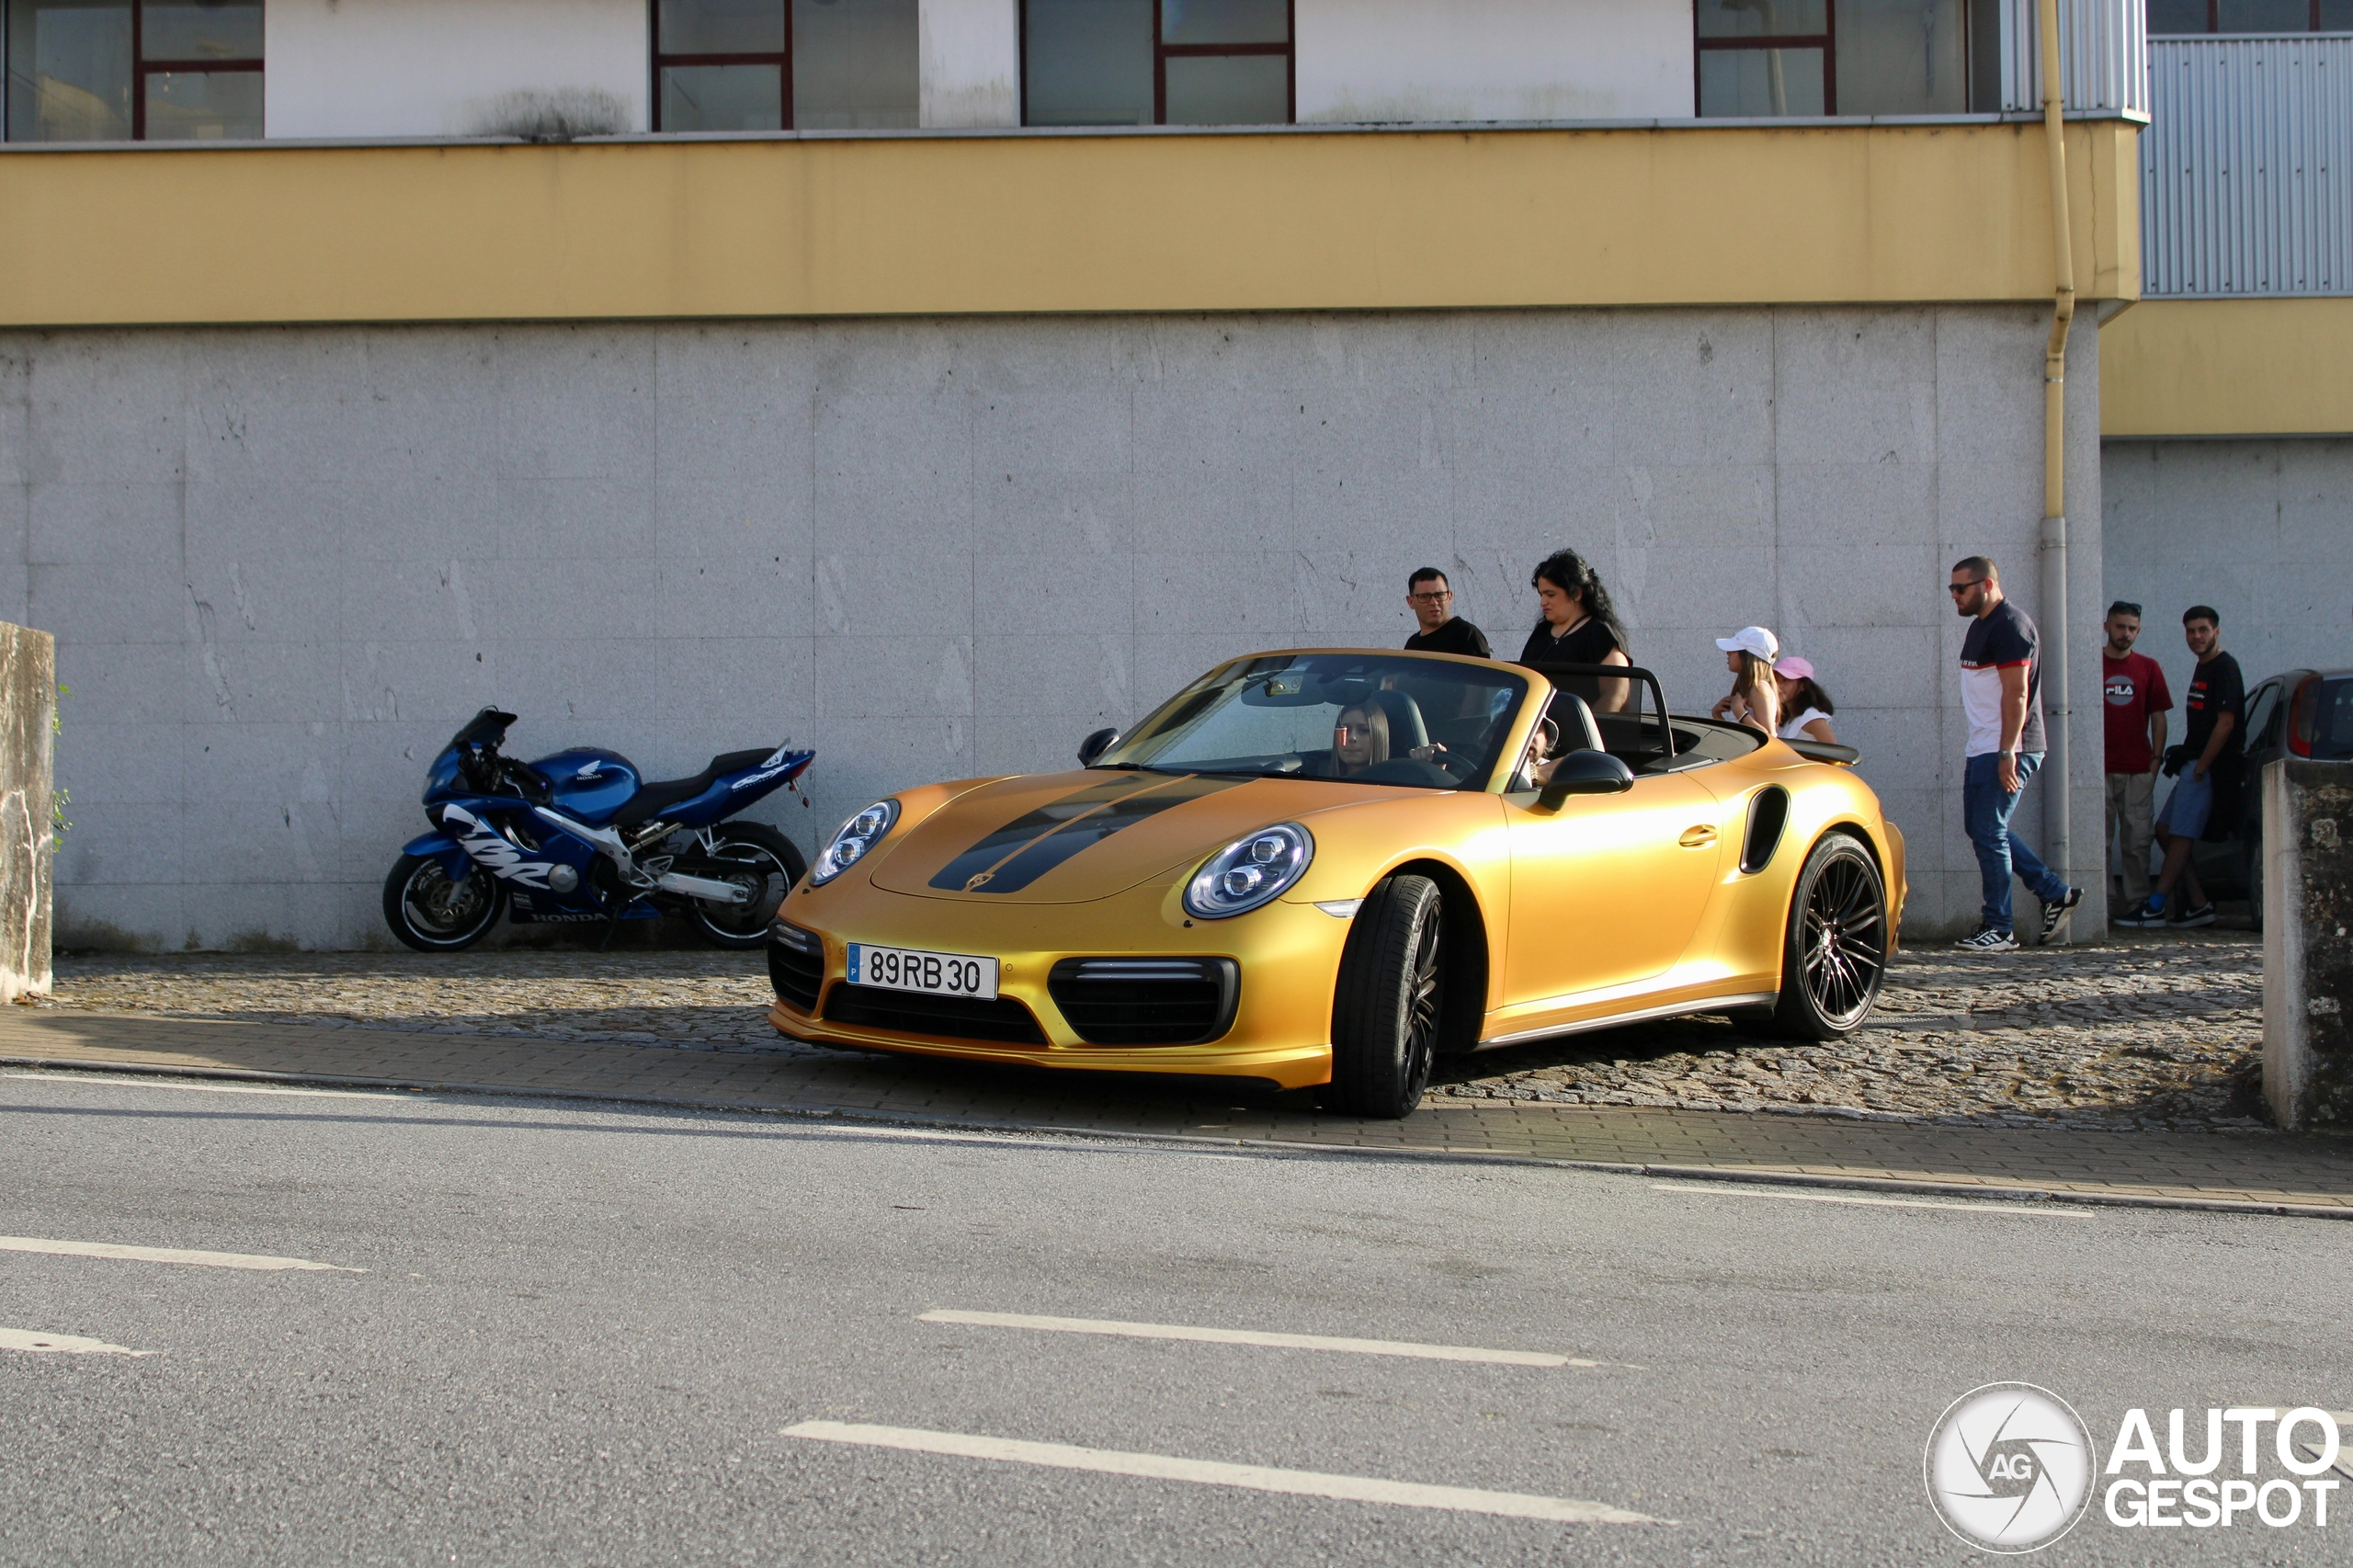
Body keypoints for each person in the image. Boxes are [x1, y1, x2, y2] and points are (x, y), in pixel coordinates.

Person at [1949, 555, 2082, 951]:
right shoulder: (1981, 626)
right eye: (1952, 588)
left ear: (1987, 585)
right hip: (1985, 746)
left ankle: (2000, 927)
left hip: (2010, 747)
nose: (1954, 595)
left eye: (1961, 588)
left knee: (1989, 831)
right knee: (1984, 829)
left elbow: (2017, 692)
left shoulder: (2010, 625)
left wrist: (2008, 750)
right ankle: (2054, 892)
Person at [2121, 605, 2243, 929]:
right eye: (2191, 631)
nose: (2196, 637)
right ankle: (2199, 903)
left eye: (2203, 630)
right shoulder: (2203, 666)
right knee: (2165, 830)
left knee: (2182, 833)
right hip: (2192, 763)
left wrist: (2202, 766)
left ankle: (2156, 905)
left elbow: (2226, 723)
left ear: (2216, 631)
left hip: (2205, 768)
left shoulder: (2225, 668)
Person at [2097, 600, 2171, 921]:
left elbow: (2159, 715)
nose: (2125, 634)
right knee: (2099, 842)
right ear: (2107, 627)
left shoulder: (2148, 667)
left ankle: (2138, 905)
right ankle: (2103, 906)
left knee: (2138, 842)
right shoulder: (2092, 663)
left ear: (2138, 631)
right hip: (2099, 769)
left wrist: (2157, 759)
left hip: (2139, 768)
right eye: (2120, 626)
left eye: (2131, 629)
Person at [1516, 549, 1631, 711]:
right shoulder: (1541, 633)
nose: (1543, 602)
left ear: (1576, 594)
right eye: (1541, 594)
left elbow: (1616, 694)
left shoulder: (1599, 633)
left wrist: (1584, 730)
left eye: (1551, 594)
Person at [1709, 626, 1782, 737]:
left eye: (1734, 649)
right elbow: (1737, 738)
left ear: (1748, 656)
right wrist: (1717, 714)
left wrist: (1740, 712)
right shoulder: (1752, 688)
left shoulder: (1759, 689)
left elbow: (1769, 737)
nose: (1728, 653)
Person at [1402, 568, 1491, 658]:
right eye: (1424, 597)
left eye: (1439, 595)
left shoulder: (1466, 636)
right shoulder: (1412, 646)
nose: (1434, 602)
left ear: (1450, 597)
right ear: (1411, 602)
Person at [1773, 655, 1837, 744]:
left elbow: (1834, 752)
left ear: (1803, 686)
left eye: (1785, 680)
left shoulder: (1811, 716)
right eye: (1776, 680)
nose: (1778, 686)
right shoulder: (1785, 718)